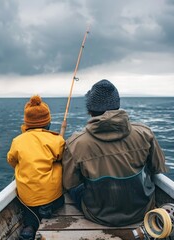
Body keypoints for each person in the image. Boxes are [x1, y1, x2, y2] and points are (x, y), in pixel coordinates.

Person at [62, 79, 167, 227]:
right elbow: (157, 168)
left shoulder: (75, 143)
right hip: (141, 210)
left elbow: (69, 183)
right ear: (117, 106)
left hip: (98, 215)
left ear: (90, 110)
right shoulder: (145, 133)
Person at [7, 95, 65, 240]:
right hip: (54, 197)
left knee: (29, 208)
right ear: (48, 124)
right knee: (59, 164)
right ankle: (48, 209)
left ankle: (30, 226)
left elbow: (11, 160)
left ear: (26, 124)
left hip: (28, 198)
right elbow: (64, 158)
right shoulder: (56, 139)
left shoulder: (17, 141)